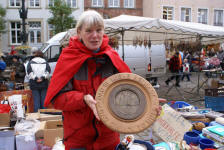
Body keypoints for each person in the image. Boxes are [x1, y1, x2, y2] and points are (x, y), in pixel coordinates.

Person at [44, 10, 162, 150]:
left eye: (99, 30)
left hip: (108, 138)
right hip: (79, 140)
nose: (95, 36)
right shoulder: (68, 58)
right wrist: (83, 99)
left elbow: (128, 91)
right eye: (89, 31)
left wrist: (147, 103)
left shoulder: (111, 57)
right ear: (79, 32)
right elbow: (57, 99)